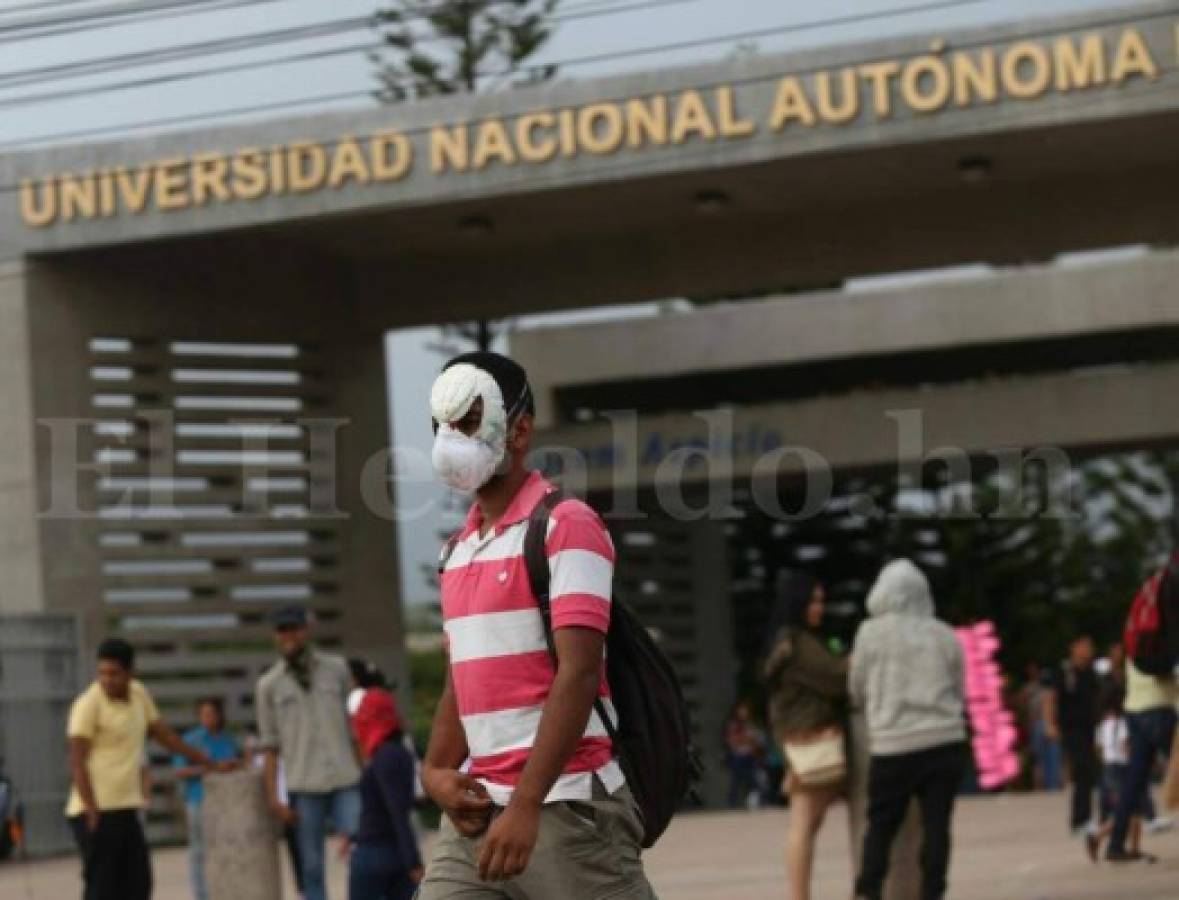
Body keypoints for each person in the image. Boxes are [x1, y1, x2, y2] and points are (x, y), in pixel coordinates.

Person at [417, 351, 656, 899]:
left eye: (469, 420)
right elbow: (464, 677)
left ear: (520, 429)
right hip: (477, 815)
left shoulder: (566, 526)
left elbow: (578, 672)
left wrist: (526, 805)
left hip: (567, 810)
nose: (451, 437)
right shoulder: (457, 552)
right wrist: (434, 771)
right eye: (442, 424)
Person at [66, 638, 227, 900]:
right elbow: (76, 761)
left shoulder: (139, 694)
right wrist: (91, 810)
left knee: (139, 885)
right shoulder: (87, 705)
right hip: (95, 811)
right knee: (102, 889)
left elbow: (167, 737)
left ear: (130, 672)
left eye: (114, 673)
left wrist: (207, 762)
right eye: (102, 673)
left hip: (126, 809)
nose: (107, 680)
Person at [850, 559, 967, 900]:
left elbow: (856, 688)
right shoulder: (944, 633)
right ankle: (932, 893)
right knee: (937, 826)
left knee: (881, 826)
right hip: (944, 741)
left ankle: (867, 890)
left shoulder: (869, 633)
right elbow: (958, 688)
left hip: (893, 746)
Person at [255, 607, 362, 900]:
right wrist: (273, 796)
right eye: (282, 630)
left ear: (306, 629)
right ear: (275, 636)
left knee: (361, 850)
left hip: (345, 777)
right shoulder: (268, 685)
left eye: (294, 628)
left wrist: (367, 772)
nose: (289, 635)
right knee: (311, 865)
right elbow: (270, 746)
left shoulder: (337, 669)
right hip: (303, 784)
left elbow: (354, 728)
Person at [763, 571, 849, 900]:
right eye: (814, 600)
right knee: (803, 822)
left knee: (806, 824)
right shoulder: (798, 643)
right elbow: (836, 676)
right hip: (809, 737)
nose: (819, 608)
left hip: (797, 737)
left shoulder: (787, 640)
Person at [1106, 557, 1179, 863]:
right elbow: (1166, 673)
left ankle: (1115, 844)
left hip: (1135, 713)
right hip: (1159, 710)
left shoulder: (1138, 641)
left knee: (1134, 783)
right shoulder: (1159, 640)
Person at [348, 688, 423, 900]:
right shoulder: (400, 752)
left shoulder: (383, 756)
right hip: (395, 853)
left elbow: (396, 811)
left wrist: (414, 863)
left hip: (375, 854)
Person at [172, 698, 241, 900]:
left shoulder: (228, 739)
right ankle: (202, 894)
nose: (207, 718)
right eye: (203, 714)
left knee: (226, 848)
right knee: (199, 851)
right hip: (198, 799)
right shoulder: (191, 740)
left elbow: (236, 763)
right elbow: (179, 771)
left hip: (225, 803)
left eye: (211, 714)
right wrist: (208, 768)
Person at [1044, 635, 1101, 835]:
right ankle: (1080, 820)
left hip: (1089, 729)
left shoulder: (1091, 672)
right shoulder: (1064, 672)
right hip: (1071, 730)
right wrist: (1050, 724)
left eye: (1090, 646)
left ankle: (1087, 817)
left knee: (1090, 772)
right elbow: (1051, 698)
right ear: (1074, 647)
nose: (1088, 650)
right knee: (1082, 770)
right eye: (1085, 646)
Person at [1086, 690, 1146, 861]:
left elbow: (1098, 748)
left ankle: (1133, 847)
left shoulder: (1102, 724)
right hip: (1122, 768)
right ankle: (1098, 835)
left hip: (1108, 767)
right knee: (1131, 809)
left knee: (1129, 809)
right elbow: (1126, 747)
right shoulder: (1123, 723)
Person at [1021, 662, 1062, 791]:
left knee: (1041, 759)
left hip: (1039, 724)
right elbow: (1050, 710)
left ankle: (1043, 786)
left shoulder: (1034, 692)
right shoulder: (1049, 693)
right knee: (1050, 758)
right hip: (1046, 724)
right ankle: (1051, 785)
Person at [724, 701, 764, 808]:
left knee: (753, 780)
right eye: (742, 710)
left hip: (750, 755)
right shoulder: (734, 725)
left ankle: (753, 801)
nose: (744, 713)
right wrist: (745, 738)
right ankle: (732, 803)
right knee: (736, 781)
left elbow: (756, 740)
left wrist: (751, 740)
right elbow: (732, 741)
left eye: (746, 711)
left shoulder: (750, 724)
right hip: (738, 756)